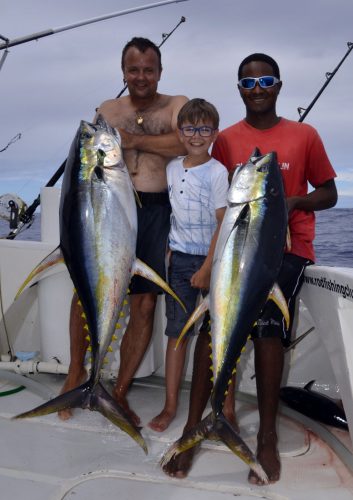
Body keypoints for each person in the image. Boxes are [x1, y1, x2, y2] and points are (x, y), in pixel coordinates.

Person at [162, 53, 337, 484]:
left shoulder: (305, 135)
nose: (258, 90)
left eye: (266, 81)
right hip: (231, 253)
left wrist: (294, 202)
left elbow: (330, 192)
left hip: (288, 251)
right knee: (210, 328)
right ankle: (193, 428)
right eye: (249, 83)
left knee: (269, 328)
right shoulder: (225, 141)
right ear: (239, 88)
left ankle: (267, 438)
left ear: (278, 85)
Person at [59, 37, 188, 425]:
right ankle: (76, 372)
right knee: (86, 290)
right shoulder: (107, 109)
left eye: (149, 69)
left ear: (160, 72)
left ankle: (118, 392)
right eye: (133, 70)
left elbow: (188, 141)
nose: (141, 77)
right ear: (123, 72)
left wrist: (135, 140)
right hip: (105, 209)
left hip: (154, 211)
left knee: (145, 303)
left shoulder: (176, 105)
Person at [148, 98, 230, 432]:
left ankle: (225, 407)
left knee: (220, 334)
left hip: (213, 262)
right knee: (177, 333)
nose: (196, 135)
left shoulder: (218, 172)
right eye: (190, 128)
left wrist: (208, 267)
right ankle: (170, 406)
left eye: (204, 129)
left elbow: (223, 224)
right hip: (179, 261)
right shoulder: (171, 167)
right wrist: (169, 249)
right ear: (180, 132)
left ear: (215, 133)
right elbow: (173, 211)